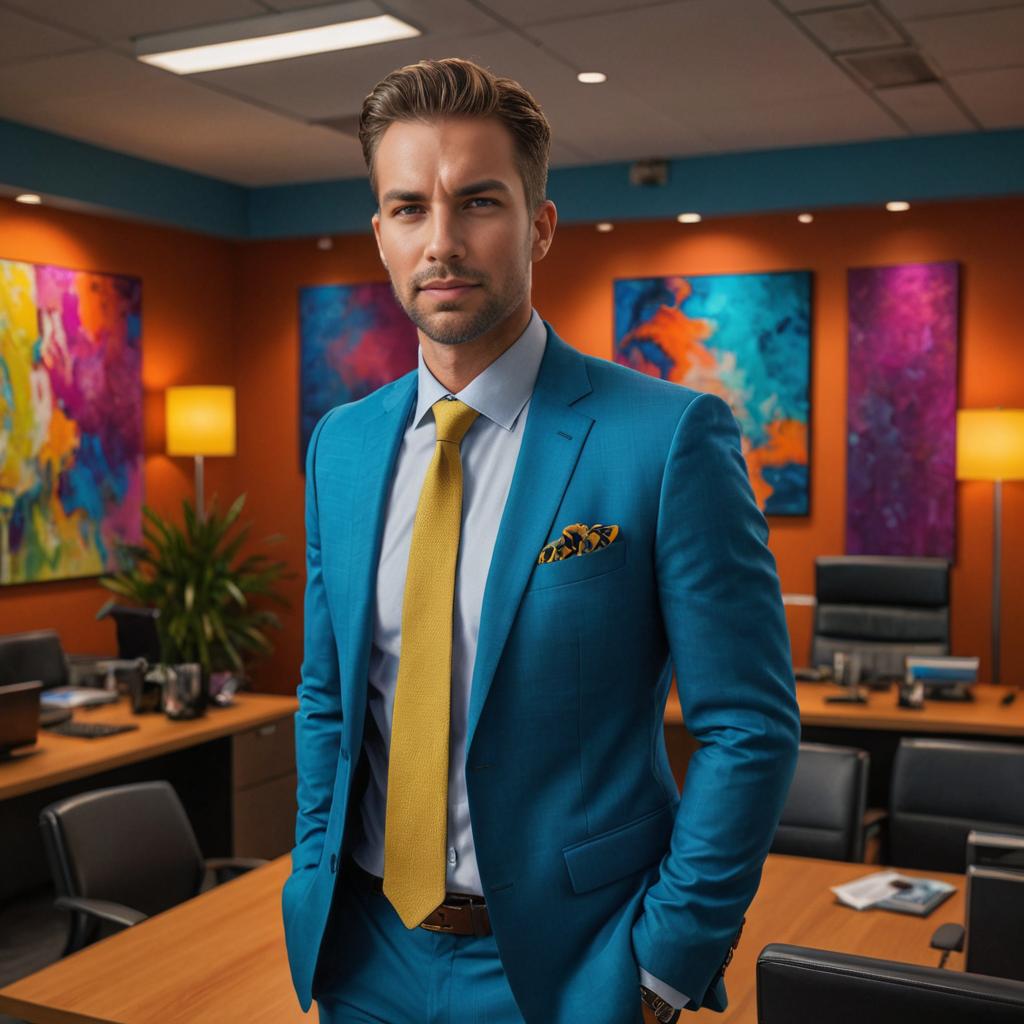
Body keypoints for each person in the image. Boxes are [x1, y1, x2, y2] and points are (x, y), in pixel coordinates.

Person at [282, 57, 800, 1024]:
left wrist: (662, 969)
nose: (442, 242)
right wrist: (314, 870)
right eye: (407, 209)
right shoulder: (342, 447)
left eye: (477, 201)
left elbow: (748, 726)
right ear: (381, 238)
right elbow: (328, 695)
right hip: (365, 957)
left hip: (571, 973)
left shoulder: (666, 436)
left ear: (541, 225)